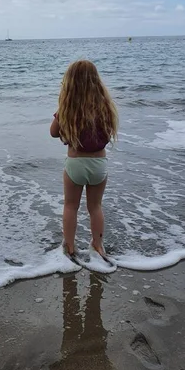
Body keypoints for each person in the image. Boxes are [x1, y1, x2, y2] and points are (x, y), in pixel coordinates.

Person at [50, 60, 118, 258]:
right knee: (95, 207)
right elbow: (109, 132)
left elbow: (53, 132)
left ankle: (70, 247)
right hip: (98, 165)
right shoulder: (105, 107)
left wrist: (62, 115)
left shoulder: (68, 108)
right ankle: (98, 245)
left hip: (76, 164)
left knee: (70, 206)